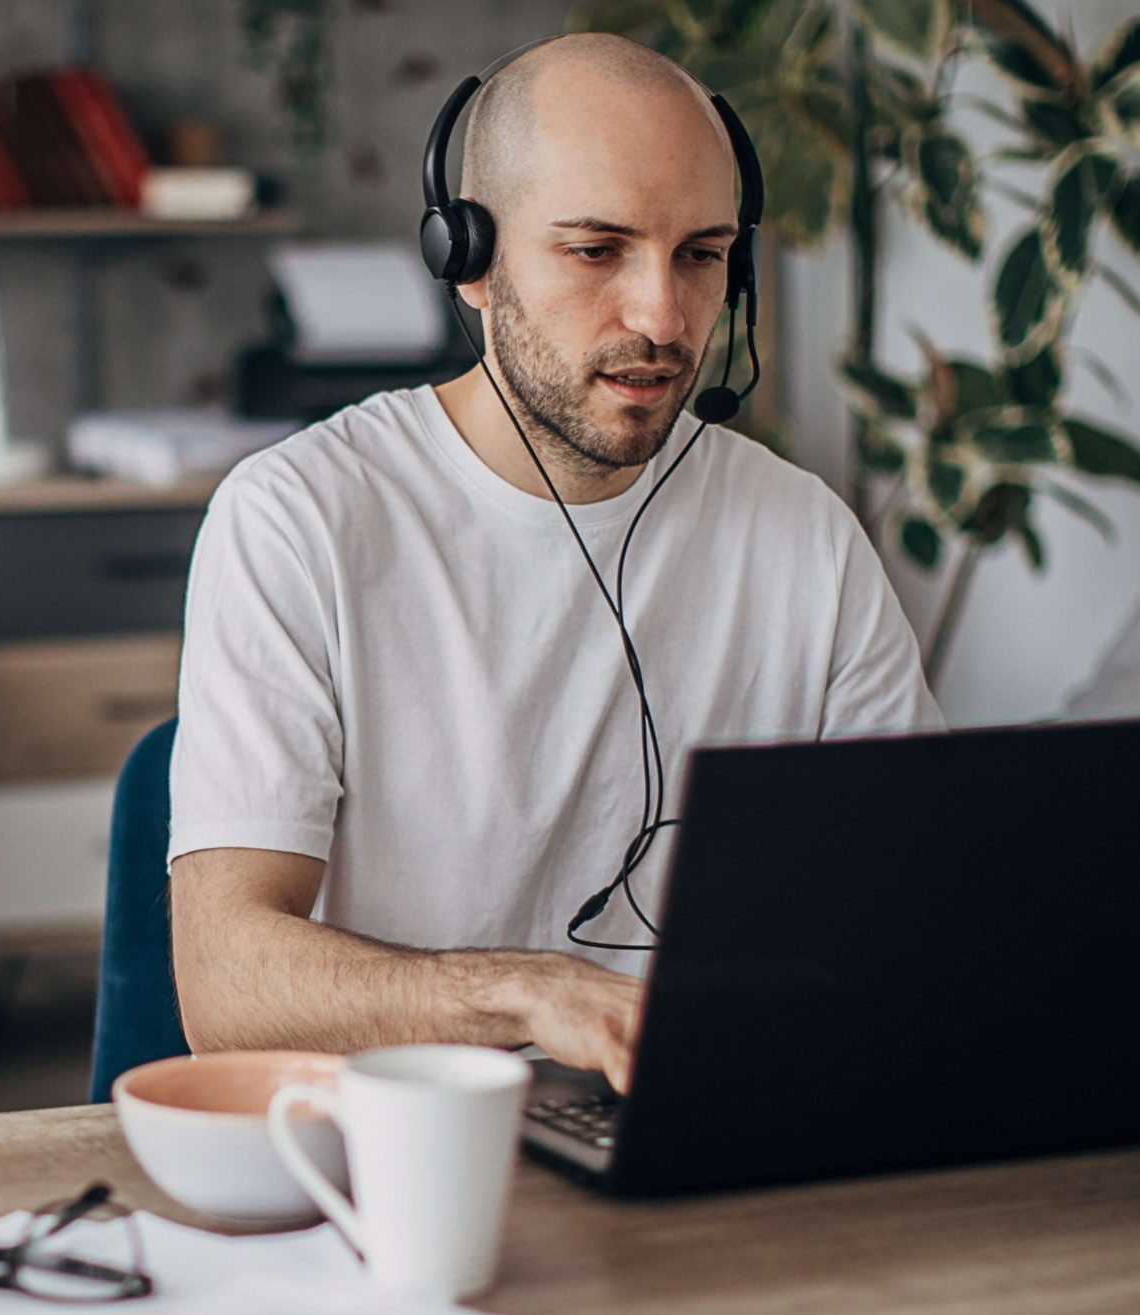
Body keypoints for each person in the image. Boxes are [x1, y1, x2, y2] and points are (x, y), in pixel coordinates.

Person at [167, 34, 942, 1093]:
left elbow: (919, 902)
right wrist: (530, 994)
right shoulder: (299, 517)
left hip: (712, 1121)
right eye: (595, 251)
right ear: (469, 259)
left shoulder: (800, 531)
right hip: (408, 1159)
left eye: (702, 254)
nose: (663, 318)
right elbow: (225, 988)